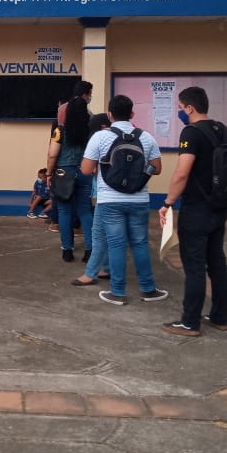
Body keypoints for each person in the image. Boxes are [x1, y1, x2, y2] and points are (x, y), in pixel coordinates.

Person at [159, 87, 227, 336]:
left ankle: (190, 322)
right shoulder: (222, 128)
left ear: (189, 108)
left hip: (196, 207)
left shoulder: (191, 132)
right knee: (217, 262)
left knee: (194, 266)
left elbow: (182, 171)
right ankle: (219, 316)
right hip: (218, 206)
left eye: (179, 107)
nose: (178, 111)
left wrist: (168, 202)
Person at [82, 94, 168, 305]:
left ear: (110, 114)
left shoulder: (100, 137)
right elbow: (156, 168)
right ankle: (148, 289)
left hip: (109, 200)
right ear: (132, 114)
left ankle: (118, 292)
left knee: (116, 244)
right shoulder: (146, 137)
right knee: (140, 243)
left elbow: (86, 169)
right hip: (139, 199)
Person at [46, 92, 94, 264]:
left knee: (65, 211)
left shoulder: (59, 131)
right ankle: (89, 250)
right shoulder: (90, 131)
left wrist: (49, 174)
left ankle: (67, 250)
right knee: (85, 210)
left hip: (63, 173)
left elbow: (52, 155)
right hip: (85, 172)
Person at [71, 113, 114, 286]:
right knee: (128, 239)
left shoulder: (102, 138)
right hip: (132, 196)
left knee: (99, 234)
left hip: (105, 195)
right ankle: (107, 269)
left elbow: (87, 169)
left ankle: (92, 273)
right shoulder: (137, 135)